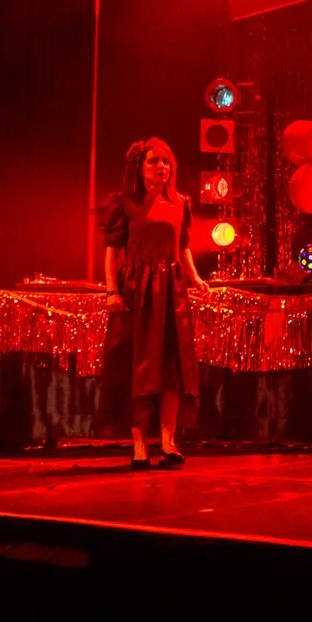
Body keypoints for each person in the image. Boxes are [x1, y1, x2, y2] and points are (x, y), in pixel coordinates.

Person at [101, 136, 205, 469]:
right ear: (139, 167)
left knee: (172, 368)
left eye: (166, 161)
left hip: (172, 291)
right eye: (154, 161)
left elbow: (183, 246)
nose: (162, 166)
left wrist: (195, 277)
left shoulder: (180, 203)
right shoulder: (124, 203)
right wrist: (111, 291)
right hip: (138, 290)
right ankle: (139, 445)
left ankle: (168, 442)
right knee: (141, 368)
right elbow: (111, 252)